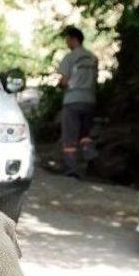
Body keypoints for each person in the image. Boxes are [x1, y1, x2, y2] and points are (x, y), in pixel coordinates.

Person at [56, 26, 98, 176]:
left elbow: (64, 81)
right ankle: (92, 158)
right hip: (89, 100)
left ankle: (71, 169)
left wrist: (60, 85)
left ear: (74, 40)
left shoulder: (70, 57)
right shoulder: (93, 58)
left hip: (72, 100)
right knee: (85, 135)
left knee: (69, 138)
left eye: (68, 39)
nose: (67, 43)